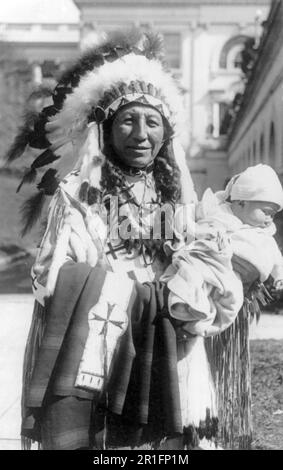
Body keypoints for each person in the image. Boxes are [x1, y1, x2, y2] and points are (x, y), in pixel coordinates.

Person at [8, 30, 261, 450]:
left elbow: (203, 257)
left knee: (167, 442)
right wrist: (125, 292)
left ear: (165, 132)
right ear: (106, 129)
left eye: (152, 121)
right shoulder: (78, 192)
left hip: (171, 337)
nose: (140, 133)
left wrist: (211, 277)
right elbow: (45, 278)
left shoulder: (180, 194)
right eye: (128, 119)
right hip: (101, 345)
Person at [163, 164, 283, 337]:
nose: (269, 218)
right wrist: (200, 231)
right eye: (265, 212)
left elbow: (276, 258)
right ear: (242, 202)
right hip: (208, 258)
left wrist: (279, 276)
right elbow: (190, 220)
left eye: (272, 214)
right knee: (191, 275)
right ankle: (183, 306)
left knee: (232, 297)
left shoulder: (264, 234)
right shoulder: (218, 212)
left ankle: (202, 325)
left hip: (234, 273)